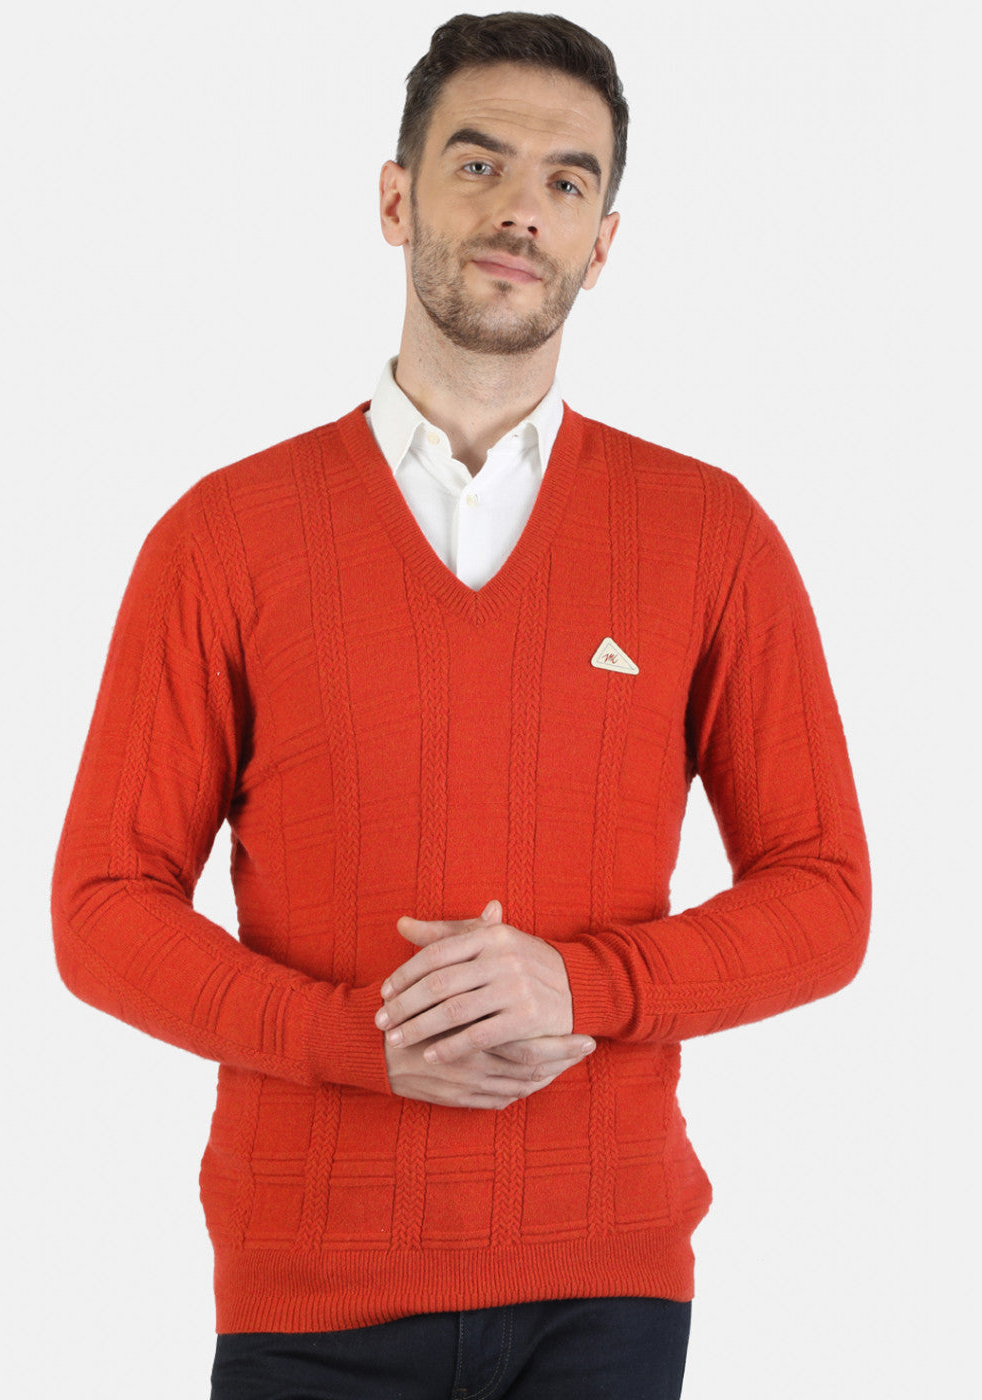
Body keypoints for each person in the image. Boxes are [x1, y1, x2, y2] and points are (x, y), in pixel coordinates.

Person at [52, 12, 870, 1399]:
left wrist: (586, 986)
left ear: (602, 241)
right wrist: (359, 1040)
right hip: (310, 1290)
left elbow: (825, 893)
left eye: (565, 181)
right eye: (478, 164)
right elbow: (100, 909)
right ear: (396, 199)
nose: (519, 211)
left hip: (604, 1291)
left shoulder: (708, 534)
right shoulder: (223, 538)